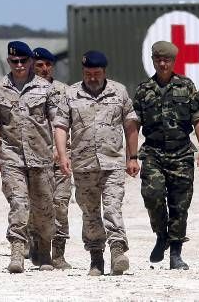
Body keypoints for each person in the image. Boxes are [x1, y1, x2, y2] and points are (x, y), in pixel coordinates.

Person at [54, 50, 138, 276]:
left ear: (104, 72)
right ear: (83, 72)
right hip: (83, 165)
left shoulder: (118, 91)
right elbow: (61, 126)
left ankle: (118, 251)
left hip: (113, 163)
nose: (92, 77)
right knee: (90, 212)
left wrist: (133, 157)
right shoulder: (71, 94)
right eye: (88, 73)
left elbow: (130, 124)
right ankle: (96, 258)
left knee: (112, 207)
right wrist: (63, 155)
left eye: (97, 73)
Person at [132, 41, 199, 270]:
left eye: (166, 60)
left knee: (180, 204)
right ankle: (160, 234)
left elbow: (198, 118)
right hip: (154, 152)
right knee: (152, 195)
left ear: (173, 61)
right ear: (153, 61)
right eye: (158, 60)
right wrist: (132, 156)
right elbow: (134, 124)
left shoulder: (186, 86)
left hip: (181, 152)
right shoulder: (144, 89)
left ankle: (176, 253)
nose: (162, 63)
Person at [0, 41, 59, 273]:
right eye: (14, 61)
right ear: (9, 62)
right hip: (12, 157)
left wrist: (59, 149)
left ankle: (44, 249)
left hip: (41, 157)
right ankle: (17, 251)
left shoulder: (45, 89)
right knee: (18, 204)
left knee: (44, 207)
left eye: (23, 61)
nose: (18, 65)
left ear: (30, 62)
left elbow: (57, 123)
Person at [27, 47, 73, 269]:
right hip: (35, 157)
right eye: (39, 65)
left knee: (61, 204)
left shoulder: (65, 91)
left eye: (48, 65)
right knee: (38, 206)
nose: (44, 69)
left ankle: (59, 253)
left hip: (62, 157)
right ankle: (39, 246)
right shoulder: (24, 89)